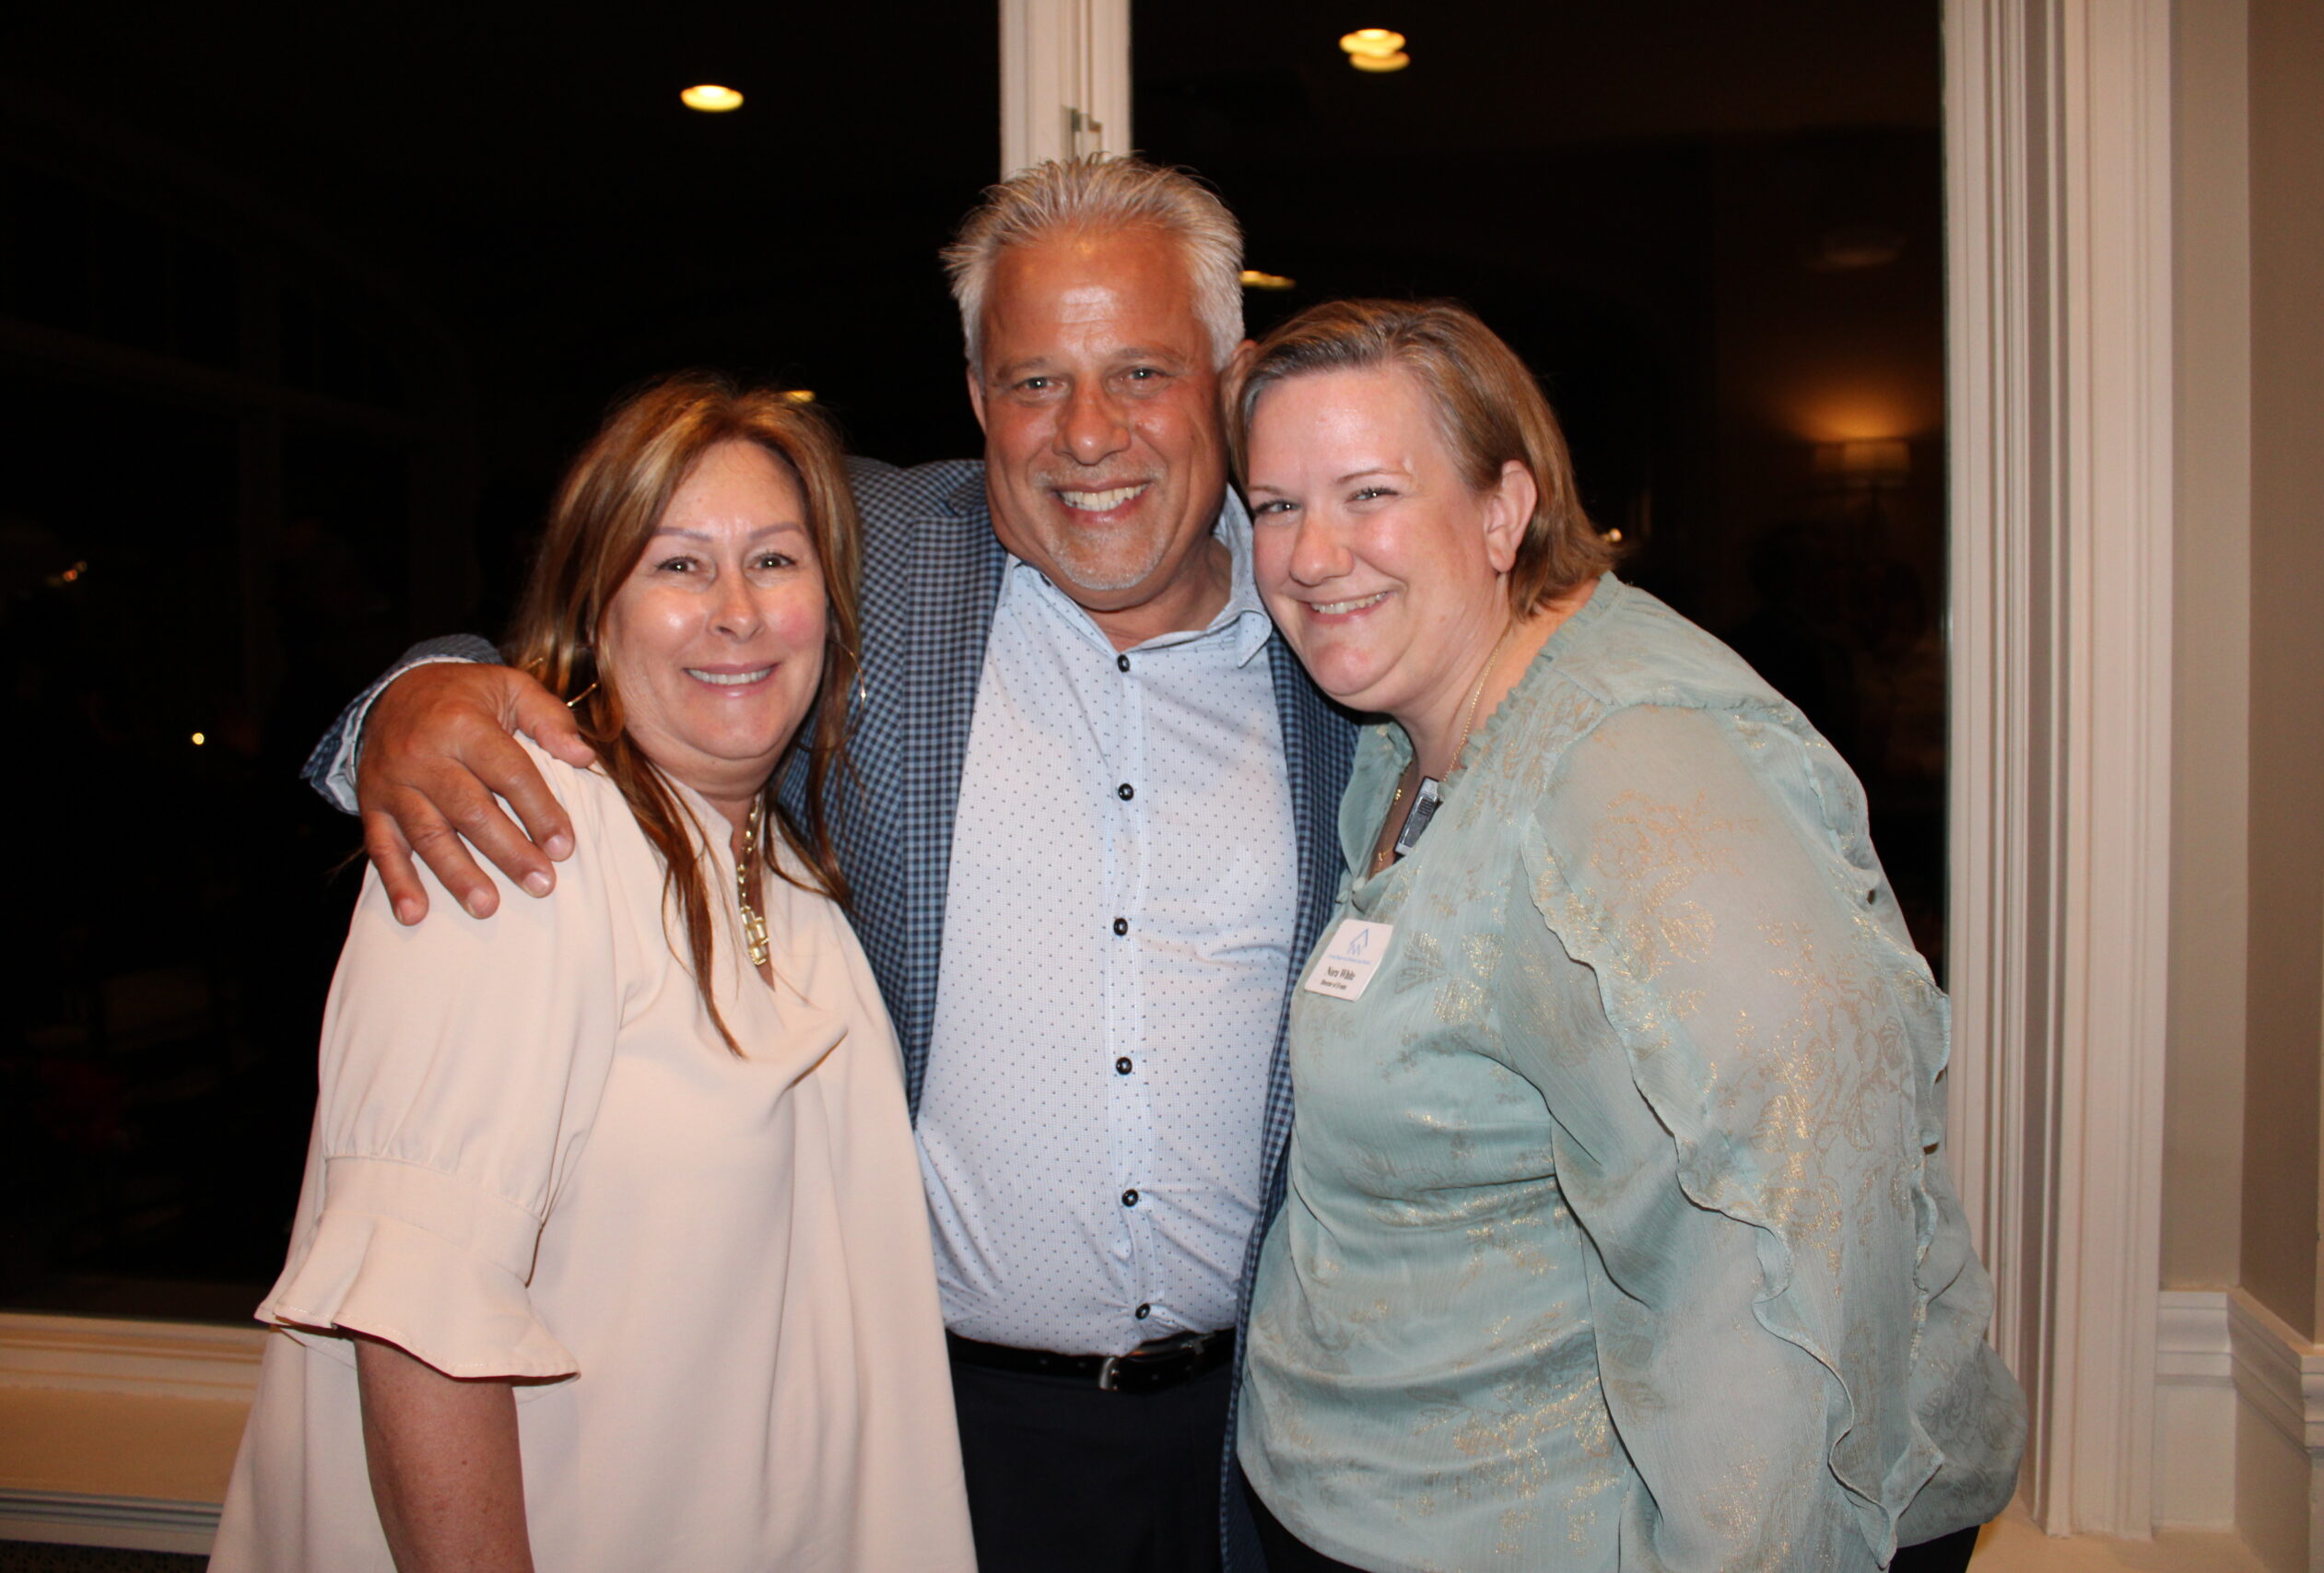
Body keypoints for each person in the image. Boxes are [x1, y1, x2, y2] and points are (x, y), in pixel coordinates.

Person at [300, 158, 1358, 1573]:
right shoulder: (877, 557)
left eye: (1142, 373)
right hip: (938, 1431)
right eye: (1034, 381)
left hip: (1255, 1437)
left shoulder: (1333, 619)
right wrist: (416, 697)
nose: (1088, 435)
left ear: (1229, 381)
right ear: (975, 396)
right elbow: (629, 610)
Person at [1228, 299, 2025, 1573]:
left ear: (1504, 509)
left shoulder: (1630, 768)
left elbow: (1799, 1202)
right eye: (1276, 505)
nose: (1313, 554)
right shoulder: (1410, 729)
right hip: (1385, 1495)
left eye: (1370, 493)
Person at [216, 374, 975, 1573]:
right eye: (678, 565)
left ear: (831, 606)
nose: (737, 612)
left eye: (775, 561)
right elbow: (418, 1328)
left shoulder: (784, 870)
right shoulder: (522, 845)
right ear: (591, 603)